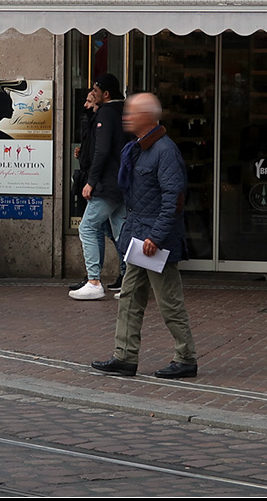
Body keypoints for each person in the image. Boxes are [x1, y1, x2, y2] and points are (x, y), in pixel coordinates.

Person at [92, 93, 197, 379]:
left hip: (154, 242)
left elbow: (173, 198)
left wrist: (157, 236)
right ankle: (124, 356)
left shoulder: (164, 150)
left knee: (169, 300)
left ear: (148, 117)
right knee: (129, 297)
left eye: (132, 113)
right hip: (140, 238)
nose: (127, 117)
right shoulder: (139, 148)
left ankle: (186, 357)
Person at [71, 74, 128, 301]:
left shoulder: (106, 112)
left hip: (107, 184)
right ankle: (130, 280)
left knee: (87, 228)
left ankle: (94, 280)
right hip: (121, 181)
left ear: (106, 93)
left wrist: (91, 182)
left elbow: (102, 150)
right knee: (120, 231)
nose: (91, 93)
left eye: (95, 89)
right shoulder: (123, 111)